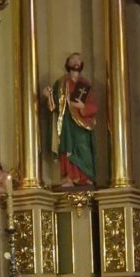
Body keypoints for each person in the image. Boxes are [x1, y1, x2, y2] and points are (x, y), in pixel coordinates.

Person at [43, 52, 98, 187]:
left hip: (82, 123)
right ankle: (68, 177)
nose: (76, 62)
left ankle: (85, 177)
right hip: (66, 121)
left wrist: (83, 107)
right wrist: (48, 96)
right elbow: (54, 106)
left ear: (81, 64)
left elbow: (94, 105)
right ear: (68, 64)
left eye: (78, 60)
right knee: (68, 148)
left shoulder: (85, 84)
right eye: (73, 59)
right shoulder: (61, 83)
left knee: (84, 147)